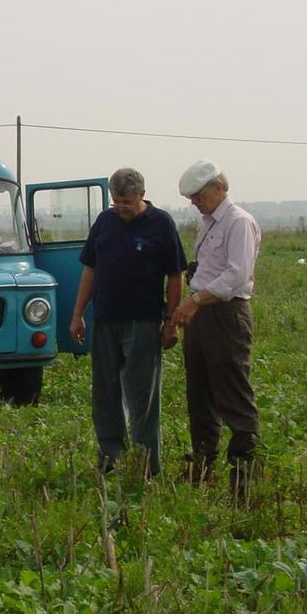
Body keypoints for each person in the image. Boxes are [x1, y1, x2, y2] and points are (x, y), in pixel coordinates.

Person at [69, 168, 187, 477]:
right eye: (116, 201)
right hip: (106, 318)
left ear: (142, 195)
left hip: (144, 322)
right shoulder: (104, 222)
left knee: (141, 396)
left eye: (127, 202)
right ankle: (110, 459)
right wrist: (78, 314)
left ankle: (147, 466)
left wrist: (170, 322)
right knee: (105, 393)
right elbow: (90, 269)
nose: (121, 207)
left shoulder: (161, 224)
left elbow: (175, 276)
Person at [171, 160, 262, 494]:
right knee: (200, 395)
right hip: (202, 313)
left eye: (199, 195)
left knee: (233, 397)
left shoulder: (238, 222)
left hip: (225, 314)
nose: (194, 201)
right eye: (192, 197)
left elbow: (235, 276)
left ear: (219, 188)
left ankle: (244, 481)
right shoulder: (208, 223)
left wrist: (194, 301)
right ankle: (203, 467)